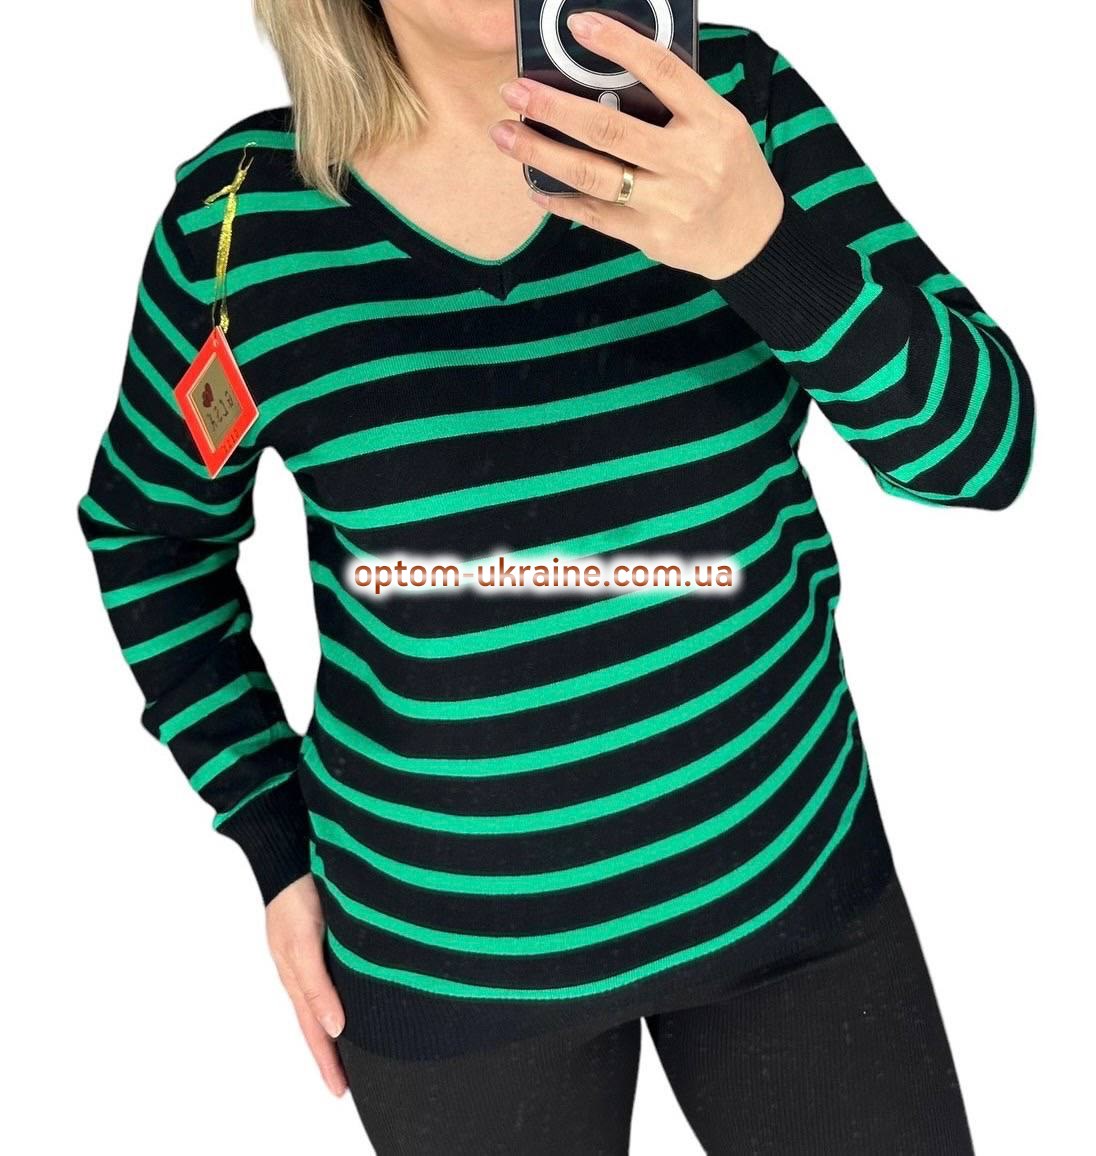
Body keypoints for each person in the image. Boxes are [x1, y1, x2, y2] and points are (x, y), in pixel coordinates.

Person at [75, 1, 1034, 1152]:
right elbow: (151, 536)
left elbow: (980, 456)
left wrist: (761, 242)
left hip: (794, 894)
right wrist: (272, 838)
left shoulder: (730, 108)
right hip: (443, 967)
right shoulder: (237, 221)